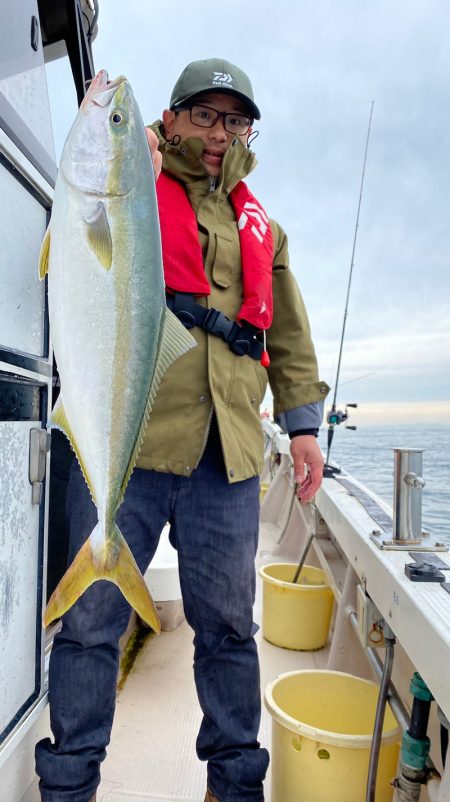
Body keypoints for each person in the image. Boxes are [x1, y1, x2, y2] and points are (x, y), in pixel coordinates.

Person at [36, 58, 329, 802]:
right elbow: (84, 221)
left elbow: (287, 335)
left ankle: (234, 786)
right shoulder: (130, 185)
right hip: (129, 447)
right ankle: (69, 784)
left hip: (227, 458)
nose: (219, 133)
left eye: (234, 120)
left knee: (229, 632)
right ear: (169, 120)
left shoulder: (264, 226)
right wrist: (97, 123)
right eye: (204, 115)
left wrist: (301, 427)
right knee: (90, 624)